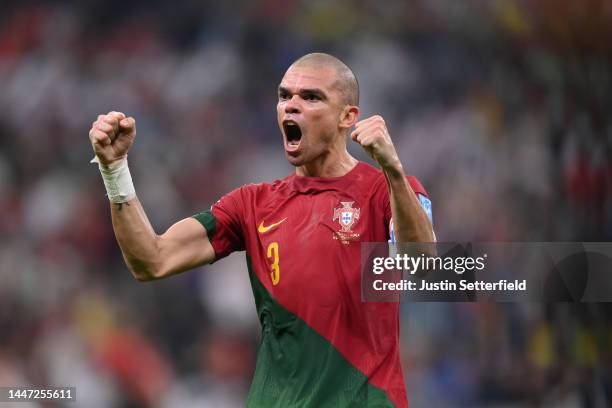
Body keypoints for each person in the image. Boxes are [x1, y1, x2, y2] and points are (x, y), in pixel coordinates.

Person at [88, 52, 435, 407]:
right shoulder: (253, 205)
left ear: (348, 117)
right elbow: (151, 260)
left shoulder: (387, 190)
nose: (291, 107)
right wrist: (114, 170)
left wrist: (392, 168)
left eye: (311, 97)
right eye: (285, 96)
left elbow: (425, 267)